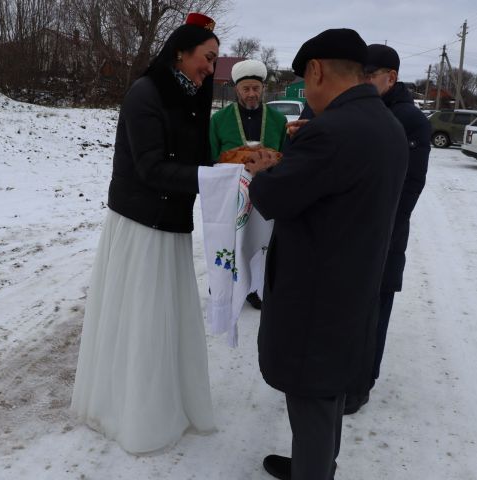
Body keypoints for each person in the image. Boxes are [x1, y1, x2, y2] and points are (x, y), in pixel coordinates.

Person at [244, 29, 409, 479]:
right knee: (329, 390)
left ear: (316, 70)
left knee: (312, 393)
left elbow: (276, 200)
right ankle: (313, 462)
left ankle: (313, 470)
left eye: (305, 79)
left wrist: (263, 172)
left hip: (317, 291)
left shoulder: (333, 132)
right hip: (352, 283)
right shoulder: (384, 123)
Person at [70, 13, 219, 454]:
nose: (211, 68)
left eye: (214, 61)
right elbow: (152, 167)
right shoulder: (145, 93)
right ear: (180, 51)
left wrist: (228, 167)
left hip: (172, 224)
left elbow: (198, 159)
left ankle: (170, 401)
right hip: (141, 225)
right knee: (143, 322)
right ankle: (134, 414)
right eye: (207, 58)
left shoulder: (193, 97)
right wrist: (214, 179)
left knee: (168, 321)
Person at [344, 44, 431, 415]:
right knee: (353, 309)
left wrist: (378, 227)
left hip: (385, 234)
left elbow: (410, 185)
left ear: (390, 77)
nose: (362, 82)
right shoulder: (367, 111)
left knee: (375, 309)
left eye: (369, 75)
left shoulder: (410, 120)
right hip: (356, 232)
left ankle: (362, 385)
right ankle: (347, 375)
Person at [209, 59, 287, 310]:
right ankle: (223, 282)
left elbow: (286, 156)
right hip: (231, 194)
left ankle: (254, 287)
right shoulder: (219, 119)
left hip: (266, 194)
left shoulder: (277, 119)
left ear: (263, 89)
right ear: (236, 90)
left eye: (256, 88)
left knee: (260, 241)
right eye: (246, 89)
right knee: (230, 239)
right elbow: (211, 156)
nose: (252, 94)